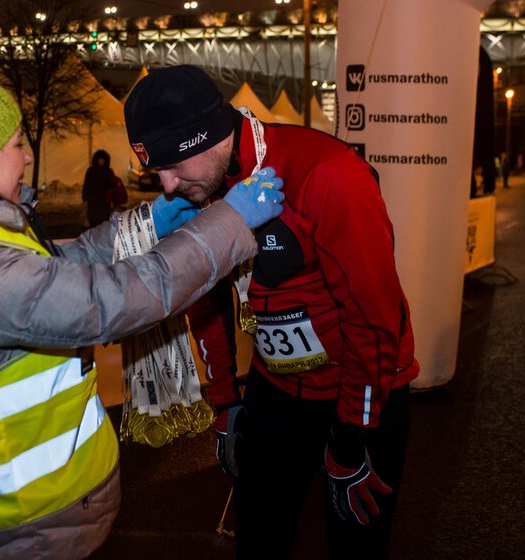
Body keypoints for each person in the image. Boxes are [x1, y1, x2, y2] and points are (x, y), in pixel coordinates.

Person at [0, 73, 285, 560]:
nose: (28, 156)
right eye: (17, 143)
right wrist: (230, 219)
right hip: (16, 525)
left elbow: (53, 272)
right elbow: (116, 299)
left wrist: (146, 222)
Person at [124, 65, 419, 560]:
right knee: (258, 543)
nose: (168, 186)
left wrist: (350, 441)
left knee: (357, 549)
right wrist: (224, 404)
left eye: (175, 164)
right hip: (276, 393)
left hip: (363, 392)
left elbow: (374, 320)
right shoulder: (201, 190)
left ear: (211, 135)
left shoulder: (327, 173)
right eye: (156, 171)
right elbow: (207, 302)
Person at [82, 149, 116, 226]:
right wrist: (84, 198)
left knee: (103, 223)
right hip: (93, 200)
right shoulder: (91, 171)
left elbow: (113, 186)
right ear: (96, 160)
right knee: (93, 222)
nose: (101, 162)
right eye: (100, 160)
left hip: (105, 201)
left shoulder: (109, 171)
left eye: (103, 160)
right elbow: (86, 184)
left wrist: (113, 199)